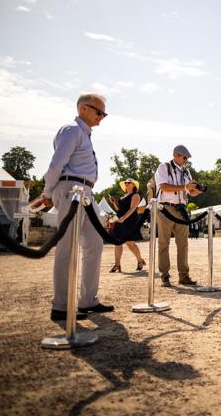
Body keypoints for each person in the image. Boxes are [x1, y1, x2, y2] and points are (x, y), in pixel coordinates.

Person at [39, 93, 113, 321]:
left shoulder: (83, 133)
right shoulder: (72, 130)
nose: (102, 117)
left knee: (94, 244)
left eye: (104, 113)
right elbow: (56, 165)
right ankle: (61, 306)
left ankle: (87, 299)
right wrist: (47, 192)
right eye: (99, 112)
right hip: (72, 189)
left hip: (85, 192)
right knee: (68, 247)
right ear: (83, 109)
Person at [155, 145, 202, 287]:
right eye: (185, 157)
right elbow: (163, 186)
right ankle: (164, 276)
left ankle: (184, 276)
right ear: (176, 155)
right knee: (164, 243)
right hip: (166, 208)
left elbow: (190, 192)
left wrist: (197, 191)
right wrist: (185, 188)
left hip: (182, 210)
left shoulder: (186, 171)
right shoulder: (164, 167)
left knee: (183, 244)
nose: (186, 160)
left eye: (187, 158)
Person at [107, 178, 146, 273]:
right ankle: (117, 265)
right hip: (120, 219)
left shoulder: (136, 195)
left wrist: (123, 218)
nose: (127, 183)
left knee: (130, 243)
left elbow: (132, 209)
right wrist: (114, 203)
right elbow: (120, 209)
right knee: (117, 242)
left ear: (134, 185)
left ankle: (140, 260)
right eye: (126, 182)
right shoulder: (123, 196)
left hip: (130, 220)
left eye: (129, 182)